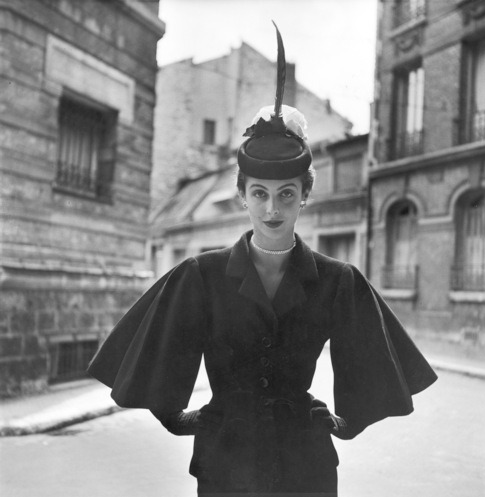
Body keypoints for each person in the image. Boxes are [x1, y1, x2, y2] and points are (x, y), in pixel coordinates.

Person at [88, 23, 437, 497]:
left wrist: (342, 422)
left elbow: (378, 372)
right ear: (241, 196)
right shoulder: (200, 275)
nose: (273, 209)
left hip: (306, 468)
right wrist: (181, 417)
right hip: (226, 465)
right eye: (260, 194)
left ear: (305, 195)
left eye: (286, 194)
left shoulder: (338, 281)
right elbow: (153, 362)